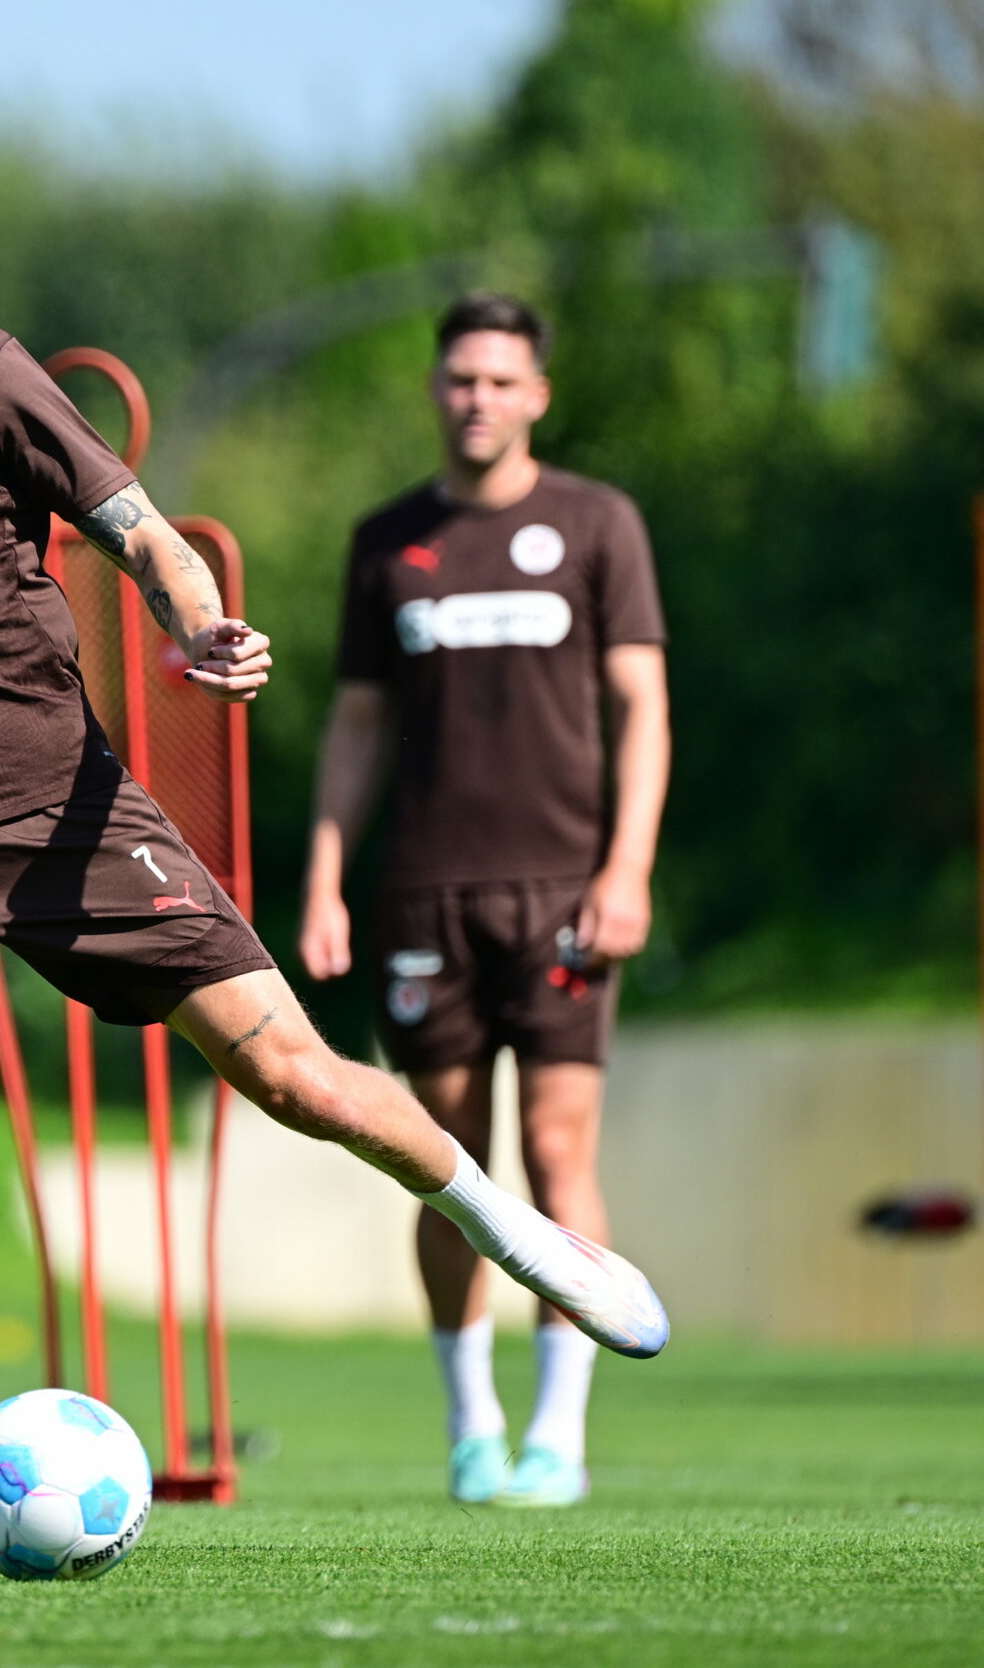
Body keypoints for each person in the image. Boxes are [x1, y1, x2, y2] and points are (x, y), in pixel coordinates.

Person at [0, 89, 668, 1543]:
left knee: (298, 1078)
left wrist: (196, 629)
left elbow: (142, 532)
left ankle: (518, 1233)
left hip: (68, 816)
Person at [300, 293, 670, 1509]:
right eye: (461, 378)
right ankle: (473, 1425)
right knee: (447, 1164)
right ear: (435, 389)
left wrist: (626, 868)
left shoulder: (595, 524)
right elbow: (357, 721)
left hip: (563, 888)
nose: (479, 398)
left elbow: (640, 708)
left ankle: (559, 1432)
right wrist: (324, 874)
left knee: (559, 1151)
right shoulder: (386, 540)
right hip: (420, 896)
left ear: (537, 395)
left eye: (502, 380)